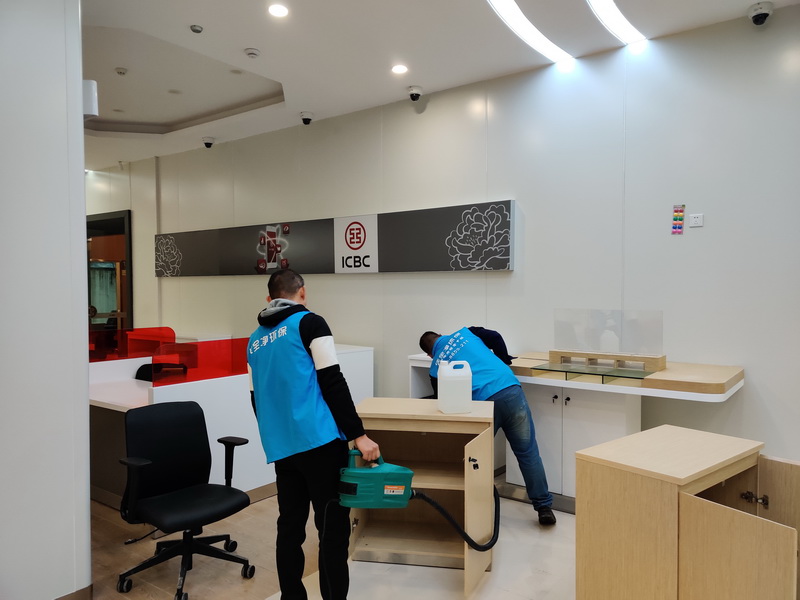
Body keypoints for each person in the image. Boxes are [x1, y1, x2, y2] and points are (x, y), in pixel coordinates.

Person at [248, 268, 380, 600]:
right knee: (332, 530)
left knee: (289, 529)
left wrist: (277, 435)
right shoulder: (310, 323)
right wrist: (358, 434)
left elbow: (256, 398)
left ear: (269, 299)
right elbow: (332, 380)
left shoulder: (253, 341)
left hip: (283, 449)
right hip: (320, 444)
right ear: (303, 293)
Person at [419, 326, 556, 526]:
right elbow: (495, 336)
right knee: (528, 453)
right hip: (510, 389)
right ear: (441, 334)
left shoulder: (436, 367)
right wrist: (504, 361)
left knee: (473, 456)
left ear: (429, 354)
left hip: (484, 405)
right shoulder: (466, 332)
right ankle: (544, 507)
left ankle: (470, 508)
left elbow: (444, 400)